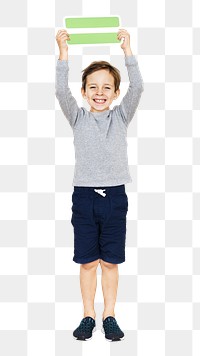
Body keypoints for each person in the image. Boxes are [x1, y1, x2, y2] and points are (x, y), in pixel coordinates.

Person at [55, 28, 144, 341]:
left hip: (115, 197)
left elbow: (139, 88)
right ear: (84, 90)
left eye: (107, 87)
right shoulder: (78, 118)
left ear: (116, 92)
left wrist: (127, 51)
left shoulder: (121, 117)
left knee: (110, 262)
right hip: (84, 198)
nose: (100, 91)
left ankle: (109, 315)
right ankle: (87, 315)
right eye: (93, 86)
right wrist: (63, 54)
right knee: (88, 262)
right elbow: (60, 91)